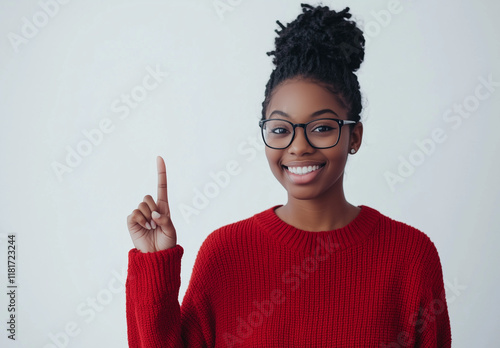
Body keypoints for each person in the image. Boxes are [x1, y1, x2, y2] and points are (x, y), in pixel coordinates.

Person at [125, 3, 452, 347]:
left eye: (322, 127)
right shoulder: (224, 255)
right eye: (280, 129)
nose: (298, 147)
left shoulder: (411, 257)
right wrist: (154, 264)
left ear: (354, 136)